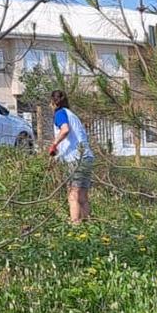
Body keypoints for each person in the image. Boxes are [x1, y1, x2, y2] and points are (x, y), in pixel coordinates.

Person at [48, 89, 94, 225]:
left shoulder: (60, 113)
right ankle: (88, 226)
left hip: (76, 158)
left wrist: (54, 144)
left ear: (53, 102)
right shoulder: (72, 115)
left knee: (73, 196)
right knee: (83, 196)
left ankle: (75, 226)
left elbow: (65, 130)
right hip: (87, 157)